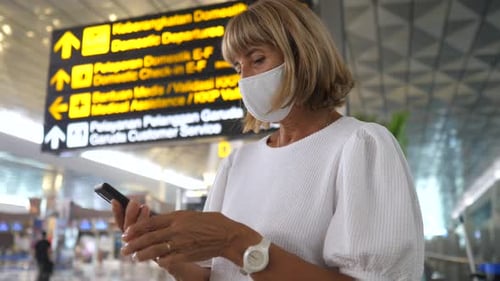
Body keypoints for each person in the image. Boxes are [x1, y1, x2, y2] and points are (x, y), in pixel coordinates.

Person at [112, 0, 424, 280]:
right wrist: (165, 252)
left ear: (302, 56)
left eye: (257, 59)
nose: (245, 78)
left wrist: (234, 240)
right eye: (238, 66)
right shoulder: (238, 163)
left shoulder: (360, 145)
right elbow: (214, 276)